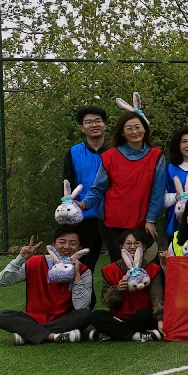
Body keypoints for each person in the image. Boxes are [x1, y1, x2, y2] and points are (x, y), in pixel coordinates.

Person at [79, 110, 167, 262]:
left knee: (147, 266)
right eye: (129, 128)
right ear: (122, 133)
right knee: (120, 267)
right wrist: (83, 204)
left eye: (138, 127)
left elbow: (157, 192)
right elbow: (98, 187)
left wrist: (151, 219)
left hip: (142, 223)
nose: (134, 132)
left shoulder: (156, 155)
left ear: (145, 129)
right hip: (112, 223)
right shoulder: (110, 156)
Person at [0, 229, 93, 344]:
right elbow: (2, 281)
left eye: (72, 243)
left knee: (86, 314)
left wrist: (76, 274)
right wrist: (20, 258)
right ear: (53, 245)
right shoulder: (34, 263)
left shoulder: (83, 271)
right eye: (62, 242)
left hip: (63, 319)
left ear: (80, 248)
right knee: (1, 316)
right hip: (33, 318)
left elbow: (81, 306)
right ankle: (54, 336)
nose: (67, 247)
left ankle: (28, 333)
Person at [91, 228, 164, 341]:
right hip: (118, 317)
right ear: (121, 247)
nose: (132, 247)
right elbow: (106, 302)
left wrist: (160, 320)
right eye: (128, 244)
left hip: (142, 316)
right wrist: (117, 289)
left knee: (146, 315)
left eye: (137, 243)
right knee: (95, 316)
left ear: (144, 247)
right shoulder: (110, 270)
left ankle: (111, 333)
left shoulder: (153, 269)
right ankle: (136, 336)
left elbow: (157, 297)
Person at [63, 105, 109, 277]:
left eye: (98, 121)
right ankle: (84, 296)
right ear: (82, 127)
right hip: (84, 217)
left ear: (105, 125)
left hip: (113, 216)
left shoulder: (117, 151)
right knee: (83, 267)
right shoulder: (73, 152)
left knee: (121, 263)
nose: (94, 125)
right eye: (88, 122)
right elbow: (67, 185)